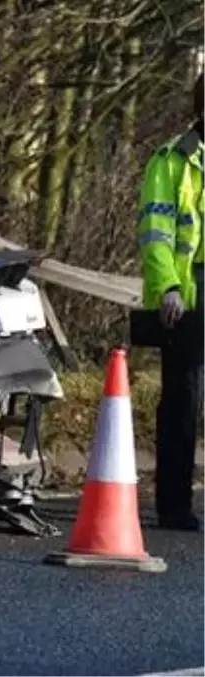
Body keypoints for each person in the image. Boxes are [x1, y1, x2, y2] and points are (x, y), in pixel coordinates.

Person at [137, 71, 205, 531]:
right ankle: (174, 505)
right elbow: (155, 236)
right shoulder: (170, 162)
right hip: (188, 290)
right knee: (182, 399)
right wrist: (167, 289)